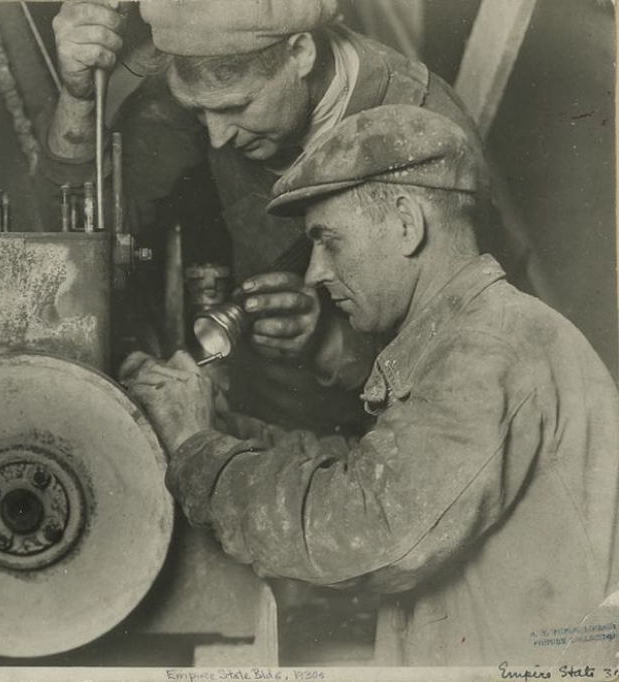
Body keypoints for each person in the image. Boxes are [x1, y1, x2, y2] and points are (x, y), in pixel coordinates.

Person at [122, 105, 619, 666]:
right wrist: (211, 426)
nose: (315, 272)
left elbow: (367, 530)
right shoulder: (466, 336)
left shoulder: (490, 348)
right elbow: (368, 471)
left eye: (328, 240)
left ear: (407, 223)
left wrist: (199, 452)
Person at [46, 0, 490, 435]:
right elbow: (78, 242)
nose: (216, 137)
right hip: (254, 423)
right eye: (199, 111)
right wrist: (78, 101)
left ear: (300, 53)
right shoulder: (204, 83)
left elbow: (459, 375)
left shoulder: (427, 132)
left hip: (381, 436)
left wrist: (330, 343)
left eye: (236, 108)